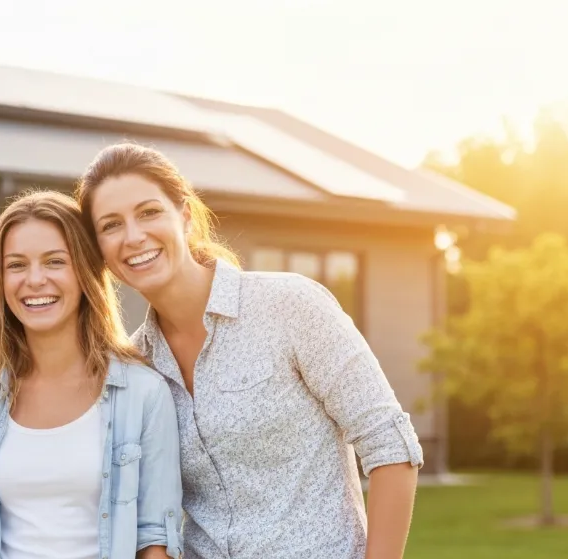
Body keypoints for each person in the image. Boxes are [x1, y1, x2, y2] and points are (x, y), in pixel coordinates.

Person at [74, 143, 424, 559]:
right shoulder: (136, 365)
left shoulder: (290, 306)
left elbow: (391, 446)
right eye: (111, 225)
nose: (134, 236)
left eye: (149, 212)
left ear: (184, 216)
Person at [0, 190, 183, 559]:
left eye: (54, 262)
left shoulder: (143, 393)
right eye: (16, 265)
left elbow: (155, 540)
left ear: (85, 272)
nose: (35, 279)